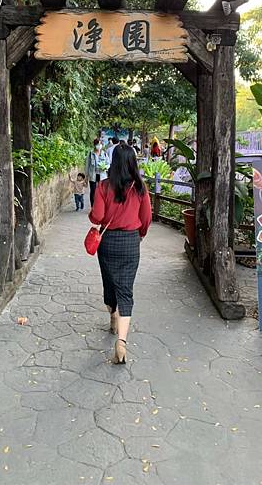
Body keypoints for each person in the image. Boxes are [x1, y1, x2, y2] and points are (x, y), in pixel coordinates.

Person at [89, 142, 152, 364]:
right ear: (132, 162)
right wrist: (140, 235)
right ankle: (121, 343)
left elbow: (97, 216)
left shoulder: (103, 186)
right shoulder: (140, 188)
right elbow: (146, 218)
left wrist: (94, 217)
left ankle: (113, 317)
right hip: (131, 242)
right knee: (125, 289)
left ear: (113, 162)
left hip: (108, 242)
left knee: (109, 285)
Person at [85, 138, 110, 207]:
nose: (99, 146)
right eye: (97, 144)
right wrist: (86, 177)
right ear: (94, 145)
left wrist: (106, 167)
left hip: (102, 175)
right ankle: (92, 207)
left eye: (100, 144)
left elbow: (108, 163)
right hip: (93, 175)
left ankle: (101, 206)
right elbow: (87, 165)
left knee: (102, 191)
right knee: (93, 191)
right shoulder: (90, 153)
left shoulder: (104, 153)